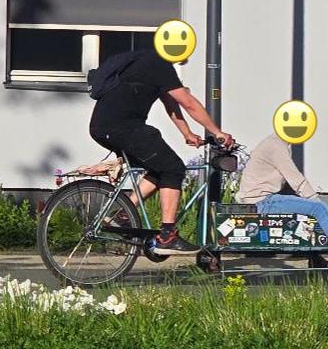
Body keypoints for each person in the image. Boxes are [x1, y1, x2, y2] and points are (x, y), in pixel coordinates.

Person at [89, 49, 233, 255]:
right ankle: (167, 236)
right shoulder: (160, 65)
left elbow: (170, 102)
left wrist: (187, 133)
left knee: (159, 167)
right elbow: (188, 102)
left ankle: (122, 215)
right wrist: (217, 132)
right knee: (173, 169)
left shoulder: (143, 62)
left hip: (102, 127)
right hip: (123, 127)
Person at [235, 133, 328, 274]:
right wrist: (324, 208)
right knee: (317, 208)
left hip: (260, 198)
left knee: (308, 210)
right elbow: (297, 181)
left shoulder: (273, 142)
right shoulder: (276, 146)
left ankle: (316, 259)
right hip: (263, 201)